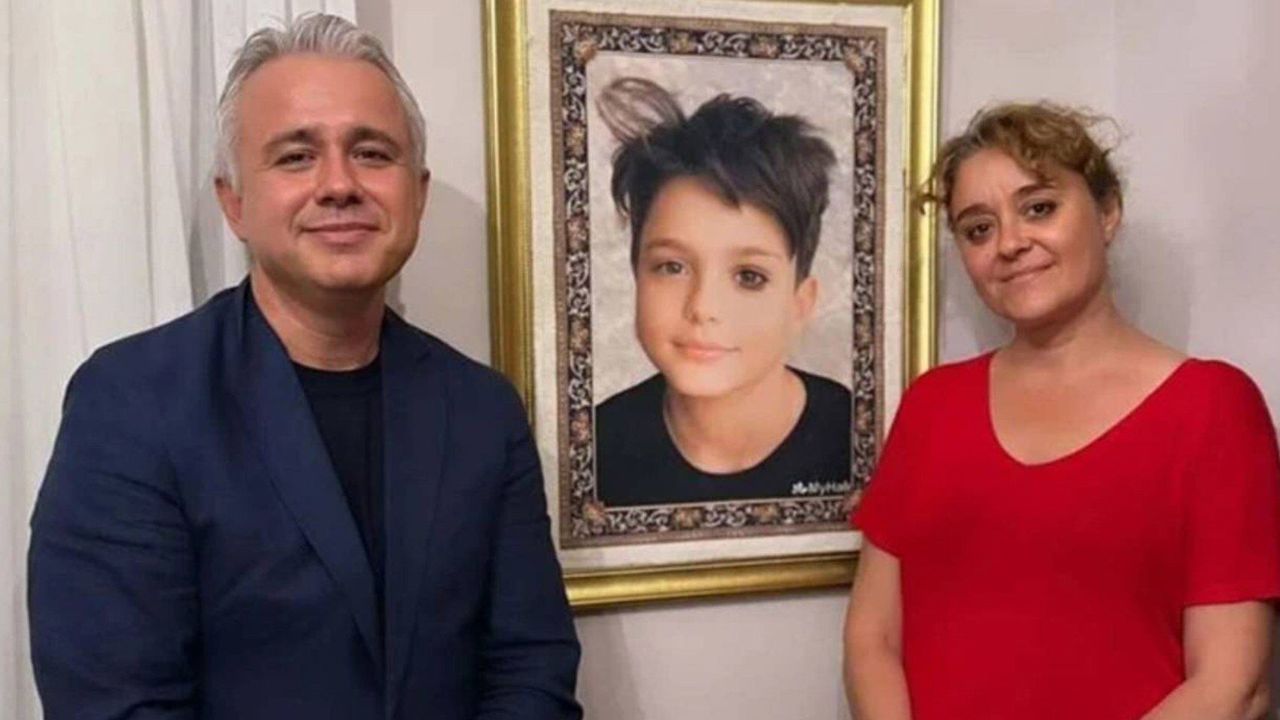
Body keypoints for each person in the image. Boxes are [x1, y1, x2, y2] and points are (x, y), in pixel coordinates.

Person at [28, 14, 581, 720]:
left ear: (417, 192)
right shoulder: (132, 405)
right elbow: (116, 704)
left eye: (372, 153)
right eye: (295, 157)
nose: (339, 184)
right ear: (234, 203)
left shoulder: (482, 410)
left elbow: (531, 668)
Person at [844, 101, 1280, 719]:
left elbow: (1232, 686)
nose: (1010, 243)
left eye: (1039, 208)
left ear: (1107, 212)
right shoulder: (932, 407)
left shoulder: (1211, 408)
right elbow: (873, 638)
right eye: (978, 229)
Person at [592, 77, 852, 507]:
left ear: (801, 303)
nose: (703, 307)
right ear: (637, 275)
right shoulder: (594, 449)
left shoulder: (859, 438)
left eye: (749, 276)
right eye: (672, 267)